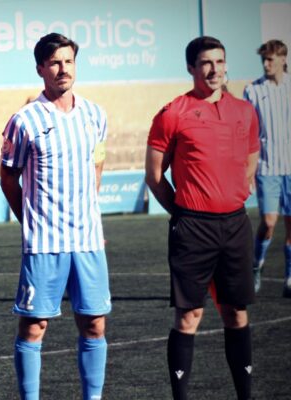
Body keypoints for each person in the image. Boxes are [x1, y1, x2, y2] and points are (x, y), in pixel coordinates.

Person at [145, 36, 259, 400]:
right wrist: (183, 212)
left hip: (236, 225)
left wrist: (234, 193)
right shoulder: (173, 113)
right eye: (206, 63)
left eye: (219, 61)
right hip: (193, 228)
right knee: (189, 316)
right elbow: (155, 176)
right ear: (191, 68)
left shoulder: (244, 111)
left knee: (236, 313)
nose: (214, 69)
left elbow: (251, 160)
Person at [0, 32, 111, 400]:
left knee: (94, 324)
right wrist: (30, 222)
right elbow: (8, 179)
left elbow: (97, 163)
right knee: (34, 327)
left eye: (68, 61)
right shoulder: (24, 120)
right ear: (40, 69)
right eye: (54, 63)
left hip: (88, 241)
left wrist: (91, 212)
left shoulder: (96, 115)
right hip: (45, 243)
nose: (63, 69)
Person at [243, 39, 291, 297]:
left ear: (283, 59)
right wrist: (247, 169)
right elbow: (247, 133)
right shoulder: (253, 90)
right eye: (263, 59)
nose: (266, 64)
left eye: (270, 59)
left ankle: (289, 278)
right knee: (269, 222)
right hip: (267, 168)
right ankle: (256, 265)